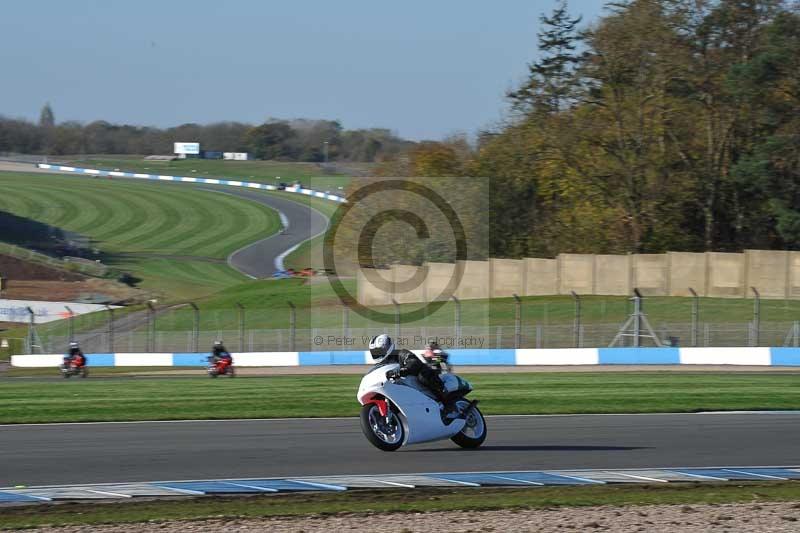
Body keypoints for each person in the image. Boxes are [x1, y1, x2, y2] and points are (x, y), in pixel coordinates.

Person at [368, 334, 447, 403]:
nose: (377, 354)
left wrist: (403, 370)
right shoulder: (377, 367)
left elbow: (413, 362)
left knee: (423, 375)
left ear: (388, 347)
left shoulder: (401, 353)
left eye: (379, 351)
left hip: (412, 382)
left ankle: (442, 396)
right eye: (375, 352)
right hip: (397, 389)